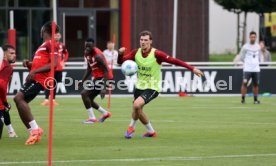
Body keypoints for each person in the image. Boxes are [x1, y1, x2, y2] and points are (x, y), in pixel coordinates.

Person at [118, 30, 204, 139]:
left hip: (153, 87)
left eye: (145, 40)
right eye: (141, 40)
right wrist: (120, 54)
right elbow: (121, 62)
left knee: (136, 105)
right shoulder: (136, 53)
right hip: (139, 86)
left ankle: (131, 127)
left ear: (150, 42)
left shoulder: (157, 54)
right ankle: (151, 131)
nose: (143, 42)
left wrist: (192, 68)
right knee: (137, 110)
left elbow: (174, 61)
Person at [13, 22, 59, 145]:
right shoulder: (42, 46)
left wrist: (35, 71)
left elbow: (54, 64)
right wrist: (29, 64)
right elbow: (39, 64)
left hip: (40, 80)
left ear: (44, 30)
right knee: (19, 101)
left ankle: (35, 129)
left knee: (18, 98)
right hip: (34, 78)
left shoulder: (51, 43)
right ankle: (33, 131)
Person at [79, 38, 113, 124]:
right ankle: (105, 113)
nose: (87, 48)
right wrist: (82, 81)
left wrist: (104, 88)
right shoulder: (86, 53)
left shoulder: (98, 56)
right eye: (86, 46)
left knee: (84, 94)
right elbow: (89, 68)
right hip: (97, 78)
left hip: (105, 77)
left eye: (89, 47)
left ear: (93, 46)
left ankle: (92, 118)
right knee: (89, 99)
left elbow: (106, 71)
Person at [41, 32, 69, 106]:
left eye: (58, 35)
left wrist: (64, 61)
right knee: (49, 83)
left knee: (55, 84)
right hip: (51, 68)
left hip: (59, 68)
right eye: (55, 35)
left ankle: (53, 100)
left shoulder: (62, 45)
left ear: (60, 36)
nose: (57, 36)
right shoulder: (49, 44)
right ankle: (46, 100)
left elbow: (66, 53)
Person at [0, 44, 17, 138]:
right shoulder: (7, 67)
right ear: (4, 55)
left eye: (15, 53)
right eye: (11, 53)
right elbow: (1, 86)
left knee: (5, 109)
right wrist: (5, 101)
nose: (14, 55)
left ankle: (11, 131)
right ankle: (11, 132)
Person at [240, 31, 261, 104]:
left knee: (256, 85)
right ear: (249, 37)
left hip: (256, 69)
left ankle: (255, 100)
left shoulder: (258, 46)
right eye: (252, 37)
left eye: (254, 37)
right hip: (247, 69)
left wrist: (256, 63)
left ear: (256, 37)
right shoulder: (245, 47)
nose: (253, 38)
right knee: (244, 83)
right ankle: (243, 99)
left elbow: (259, 57)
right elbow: (241, 57)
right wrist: (247, 63)